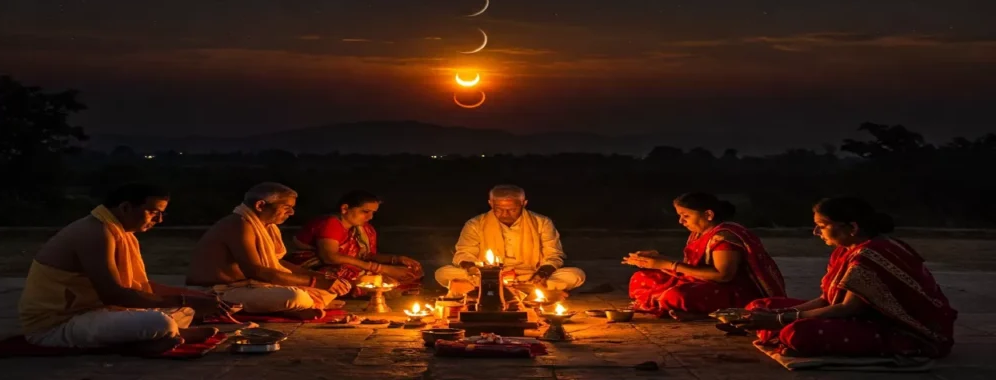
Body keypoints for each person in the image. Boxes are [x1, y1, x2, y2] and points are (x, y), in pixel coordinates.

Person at [18, 184, 230, 355]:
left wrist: (194, 297)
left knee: (185, 311)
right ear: (126, 207)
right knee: (160, 321)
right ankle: (140, 342)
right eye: (153, 212)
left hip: (99, 313)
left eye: (162, 214)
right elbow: (114, 294)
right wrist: (185, 300)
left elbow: (143, 288)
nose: (159, 220)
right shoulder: (95, 233)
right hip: (57, 325)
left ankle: (166, 334)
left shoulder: (122, 233)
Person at [736, 197, 957, 359]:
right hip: (850, 317)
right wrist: (775, 314)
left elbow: (848, 309)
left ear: (852, 227)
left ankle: (780, 331)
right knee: (760, 306)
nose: (816, 232)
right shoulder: (845, 250)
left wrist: (778, 320)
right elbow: (826, 299)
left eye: (822, 226)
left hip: (897, 328)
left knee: (796, 333)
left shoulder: (873, 254)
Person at [186, 182, 351, 318]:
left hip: (253, 287)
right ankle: (290, 308)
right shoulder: (240, 224)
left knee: (332, 288)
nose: (292, 213)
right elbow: (256, 271)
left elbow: (276, 262)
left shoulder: (267, 227)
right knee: (296, 297)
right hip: (221, 292)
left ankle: (294, 307)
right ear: (260, 205)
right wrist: (314, 282)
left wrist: (317, 276)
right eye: (287, 207)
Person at [623, 192, 786, 319]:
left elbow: (723, 276)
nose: (681, 221)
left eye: (686, 216)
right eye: (679, 215)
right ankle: (683, 309)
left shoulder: (723, 236)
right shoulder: (698, 233)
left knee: (676, 295)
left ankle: (700, 313)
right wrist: (656, 260)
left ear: (708, 215)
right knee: (641, 278)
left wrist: (667, 264)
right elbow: (694, 268)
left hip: (732, 290)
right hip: (704, 283)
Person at [434, 185, 586, 298]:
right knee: (442, 273)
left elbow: (554, 255)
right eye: (499, 209)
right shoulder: (475, 224)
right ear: (490, 203)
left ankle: (485, 292)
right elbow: (464, 253)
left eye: (512, 210)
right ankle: (531, 294)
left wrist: (541, 275)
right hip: (485, 277)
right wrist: (474, 270)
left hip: (529, 276)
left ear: (524, 203)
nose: (505, 214)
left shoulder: (542, 222)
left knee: (576, 275)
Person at [286, 190, 423, 295]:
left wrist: (396, 259)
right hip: (312, 267)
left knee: (412, 272)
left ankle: (377, 289)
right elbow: (329, 257)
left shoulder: (362, 228)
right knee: (345, 272)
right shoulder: (331, 223)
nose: (370, 217)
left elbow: (366, 256)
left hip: (352, 266)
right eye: (365, 212)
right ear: (345, 209)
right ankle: (376, 291)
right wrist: (380, 269)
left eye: (373, 213)